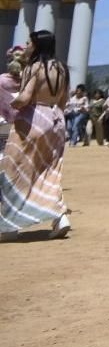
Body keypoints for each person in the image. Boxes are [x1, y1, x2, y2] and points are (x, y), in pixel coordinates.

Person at [0, 31, 72, 239]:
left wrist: (10, 103)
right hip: (56, 119)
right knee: (50, 170)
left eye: (29, 42)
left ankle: (10, 225)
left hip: (32, 119)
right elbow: (64, 100)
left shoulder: (34, 67)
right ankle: (60, 217)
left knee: (15, 168)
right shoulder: (62, 68)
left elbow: (25, 97)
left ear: (38, 45)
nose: (26, 46)